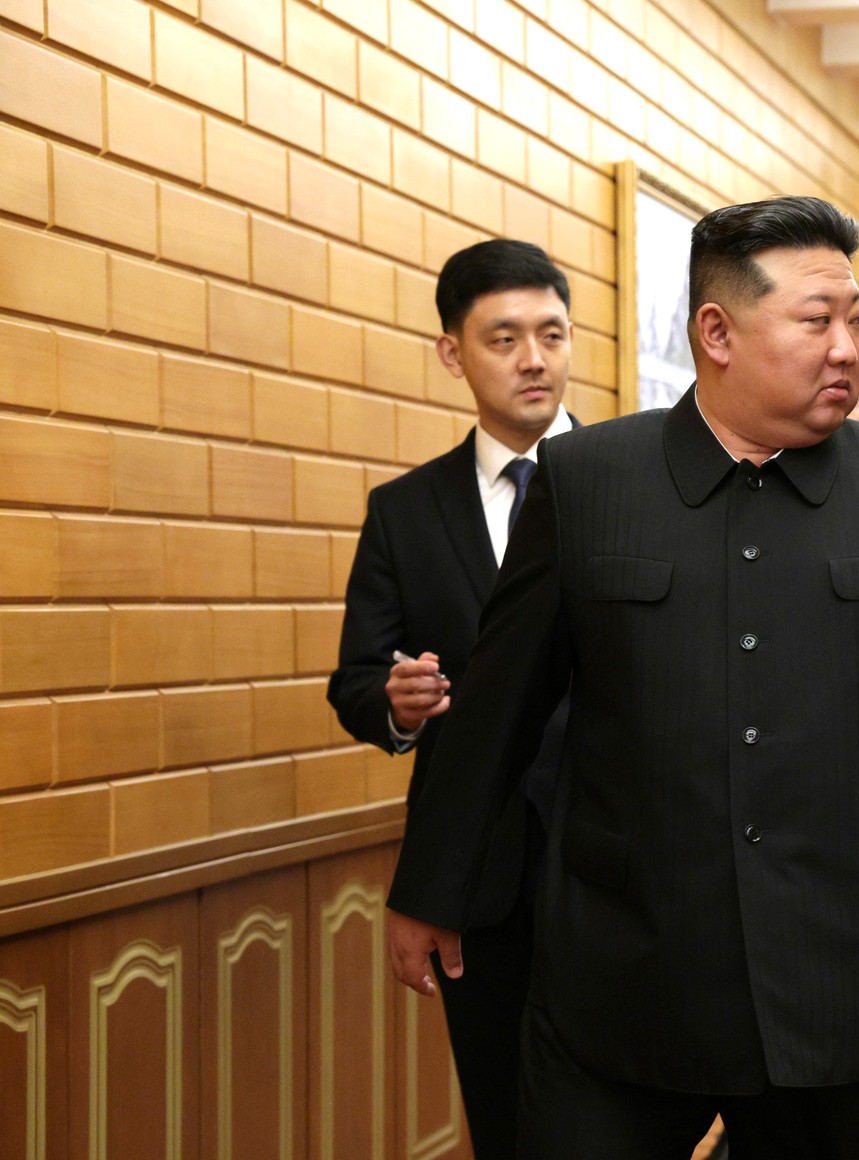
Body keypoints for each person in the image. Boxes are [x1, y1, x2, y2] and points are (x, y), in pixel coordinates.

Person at [381, 195, 859, 1159]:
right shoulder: (589, 482)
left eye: (856, 320)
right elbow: (497, 708)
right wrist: (433, 885)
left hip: (842, 975)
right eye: (817, 321)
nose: (848, 348)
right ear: (717, 332)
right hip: (624, 976)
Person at [327, 239, 578, 1159]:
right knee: (507, 1122)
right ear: (452, 353)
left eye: (552, 334)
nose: (533, 359)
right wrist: (394, 704)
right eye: (504, 339)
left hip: (624, 865)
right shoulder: (406, 511)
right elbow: (355, 679)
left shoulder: (636, 483)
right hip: (480, 877)